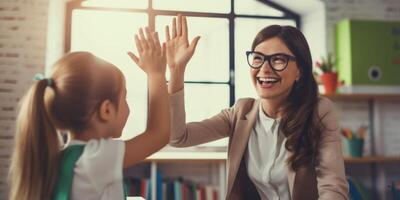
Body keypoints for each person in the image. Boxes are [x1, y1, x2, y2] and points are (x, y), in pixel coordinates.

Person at [165, 15, 349, 200]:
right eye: (258, 58)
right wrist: (176, 71)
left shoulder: (319, 111)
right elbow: (179, 138)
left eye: (278, 59)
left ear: (299, 70)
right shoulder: (241, 112)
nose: (264, 68)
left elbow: (333, 188)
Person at [8, 27, 170, 200]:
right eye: (125, 98)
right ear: (106, 110)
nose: (128, 106)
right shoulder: (96, 157)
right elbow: (158, 135)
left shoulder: (65, 158)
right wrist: (156, 73)